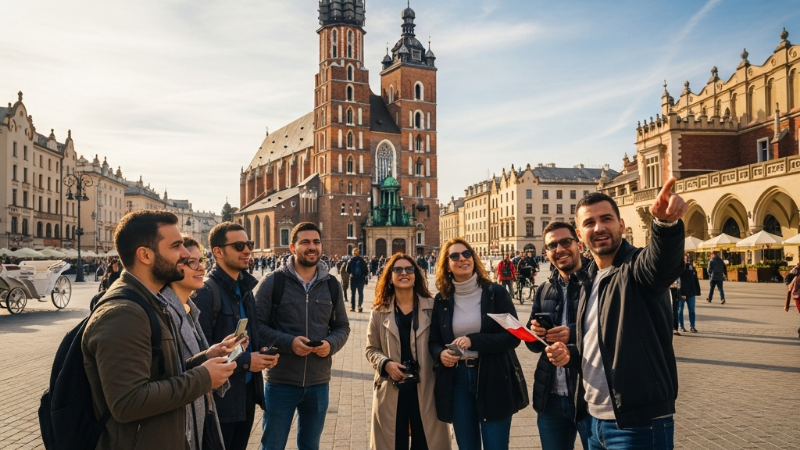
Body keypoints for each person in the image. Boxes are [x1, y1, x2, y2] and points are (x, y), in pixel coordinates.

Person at [82, 210, 236, 449]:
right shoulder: (123, 313)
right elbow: (128, 401)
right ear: (145, 255)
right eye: (176, 246)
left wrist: (203, 359)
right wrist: (203, 377)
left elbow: (158, 373)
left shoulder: (150, 301)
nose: (185, 254)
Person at [560, 180, 687, 449]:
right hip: (594, 421)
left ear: (621, 224)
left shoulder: (636, 268)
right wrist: (571, 352)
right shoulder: (588, 279)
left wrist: (665, 225)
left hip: (639, 423)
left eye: (606, 219)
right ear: (579, 235)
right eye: (589, 223)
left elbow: (661, 264)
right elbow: (604, 340)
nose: (599, 227)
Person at [429, 238, 557, 450]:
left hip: (493, 376)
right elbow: (433, 341)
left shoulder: (495, 293)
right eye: (455, 256)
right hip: (457, 380)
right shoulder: (442, 299)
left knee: (495, 445)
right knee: (466, 445)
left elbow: (513, 337)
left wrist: (474, 340)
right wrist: (440, 354)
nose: (462, 258)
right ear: (446, 265)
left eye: (467, 253)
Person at [255, 222, 351, 450]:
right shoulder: (273, 282)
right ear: (292, 247)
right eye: (305, 242)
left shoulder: (331, 285)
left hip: (319, 382)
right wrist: (289, 343)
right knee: (272, 445)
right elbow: (256, 326)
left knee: (310, 445)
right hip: (281, 381)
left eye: (316, 242)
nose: (312, 247)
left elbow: (342, 326)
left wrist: (330, 344)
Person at [164, 236, 258, 450]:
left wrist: (212, 354)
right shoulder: (166, 312)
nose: (201, 268)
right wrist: (242, 361)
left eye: (201, 261)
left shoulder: (188, 309)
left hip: (206, 408)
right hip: (186, 419)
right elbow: (158, 381)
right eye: (191, 262)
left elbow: (185, 364)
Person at [195, 222, 273, 450]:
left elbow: (251, 333)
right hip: (220, 400)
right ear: (218, 252)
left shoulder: (245, 289)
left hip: (246, 395)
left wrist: (263, 350)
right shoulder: (206, 293)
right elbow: (200, 354)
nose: (247, 250)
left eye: (248, 244)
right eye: (239, 245)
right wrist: (248, 361)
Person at [365, 253, 449, 450]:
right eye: (398, 270)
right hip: (392, 388)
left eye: (409, 269)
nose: (404, 273)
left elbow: (442, 342)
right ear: (390, 276)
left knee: (426, 443)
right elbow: (371, 349)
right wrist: (385, 364)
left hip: (427, 387)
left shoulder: (432, 307)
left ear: (416, 275)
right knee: (394, 443)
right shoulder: (379, 310)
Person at [526, 222, 589, 450]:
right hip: (551, 396)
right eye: (552, 245)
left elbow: (610, 331)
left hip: (587, 395)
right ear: (546, 253)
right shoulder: (544, 288)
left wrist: (571, 334)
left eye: (565, 242)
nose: (559, 249)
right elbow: (533, 346)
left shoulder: (596, 283)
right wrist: (534, 332)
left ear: (579, 245)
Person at [677, 253, 701, 333]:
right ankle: (681, 326)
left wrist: (697, 291)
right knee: (680, 310)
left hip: (691, 293)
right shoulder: (679, 269)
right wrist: (681, 293)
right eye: (684, 259)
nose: (685, 260)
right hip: (682, 293)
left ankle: (692, 326)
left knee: (692, 311)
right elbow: (679, 282)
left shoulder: (691, 268)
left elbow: (695, 281)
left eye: (686, 259)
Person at [347, 248, 369, 312]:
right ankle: (359, 305)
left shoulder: (351, 260)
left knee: (353, 294)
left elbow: (347, 270)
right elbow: (366, 270)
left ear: (353, 253)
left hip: (353, 278)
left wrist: (351, 272)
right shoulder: (362, 260)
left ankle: (353, 307)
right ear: (358, 252)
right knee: (360, 293)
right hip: (360, 278)